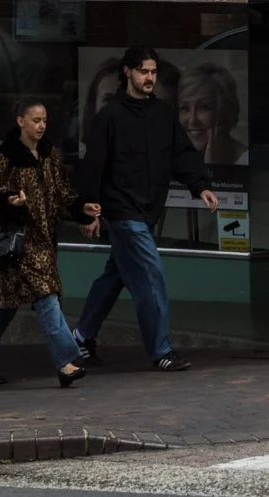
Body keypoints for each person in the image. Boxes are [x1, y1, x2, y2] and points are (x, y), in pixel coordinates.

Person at [73, 45, 218, 371]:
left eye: (153, 72)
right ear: (128, 72)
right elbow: (93, 165)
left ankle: (80, 338)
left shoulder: (163, 115)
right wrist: (87, 209)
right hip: (123, 213)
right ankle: (161, 351)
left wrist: (201, 186)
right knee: (151, 276)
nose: (149, 78)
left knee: (116, 275)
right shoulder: (110, 116)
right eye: (144, 72)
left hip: (148, 210)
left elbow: (181, 154)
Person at [0, 99, 100, 389]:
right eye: (35, 120)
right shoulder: (6, 158)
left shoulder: (49, 155)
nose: (41, 125)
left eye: (44, 120)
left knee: (6, 305)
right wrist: (10, 202)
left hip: (44, 241)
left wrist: (83, 209)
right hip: (18, 244)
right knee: (47, 296)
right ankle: (66, 361)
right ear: (20, 121)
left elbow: (62, 195)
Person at [178, 64, 248, 168]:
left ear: (225, 111)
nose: (192, 120)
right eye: (185, 108)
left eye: (203, 107)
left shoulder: (247, 161)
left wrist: (214, 169)